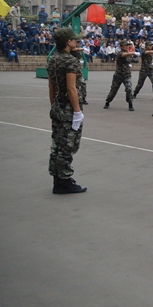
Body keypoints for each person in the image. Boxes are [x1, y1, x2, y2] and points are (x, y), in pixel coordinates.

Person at [47, 28, 86, 194]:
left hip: (57, 106)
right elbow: (71, 88)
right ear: (67, 42)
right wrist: (77, 112)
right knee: (68, 145)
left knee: (57, 144)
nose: (77, 42)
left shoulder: (53, 59)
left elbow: (51, 86)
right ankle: (64, 181)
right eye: (74, 40)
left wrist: (54, 104)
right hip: (69, 109)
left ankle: (57, 179)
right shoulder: (70, 62)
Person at [104, 39, 137, 111]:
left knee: (129, 89)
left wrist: (131, 51)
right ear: (121, 47)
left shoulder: (128, 53)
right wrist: (132, 53)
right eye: (125, 46)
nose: (126, 47)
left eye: (127, 46)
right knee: (113, 90)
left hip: (127, 75)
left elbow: (129, 60)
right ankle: (107, 101)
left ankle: (130, 103)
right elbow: (123, 55)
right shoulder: (120, 53)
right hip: (118, 75)